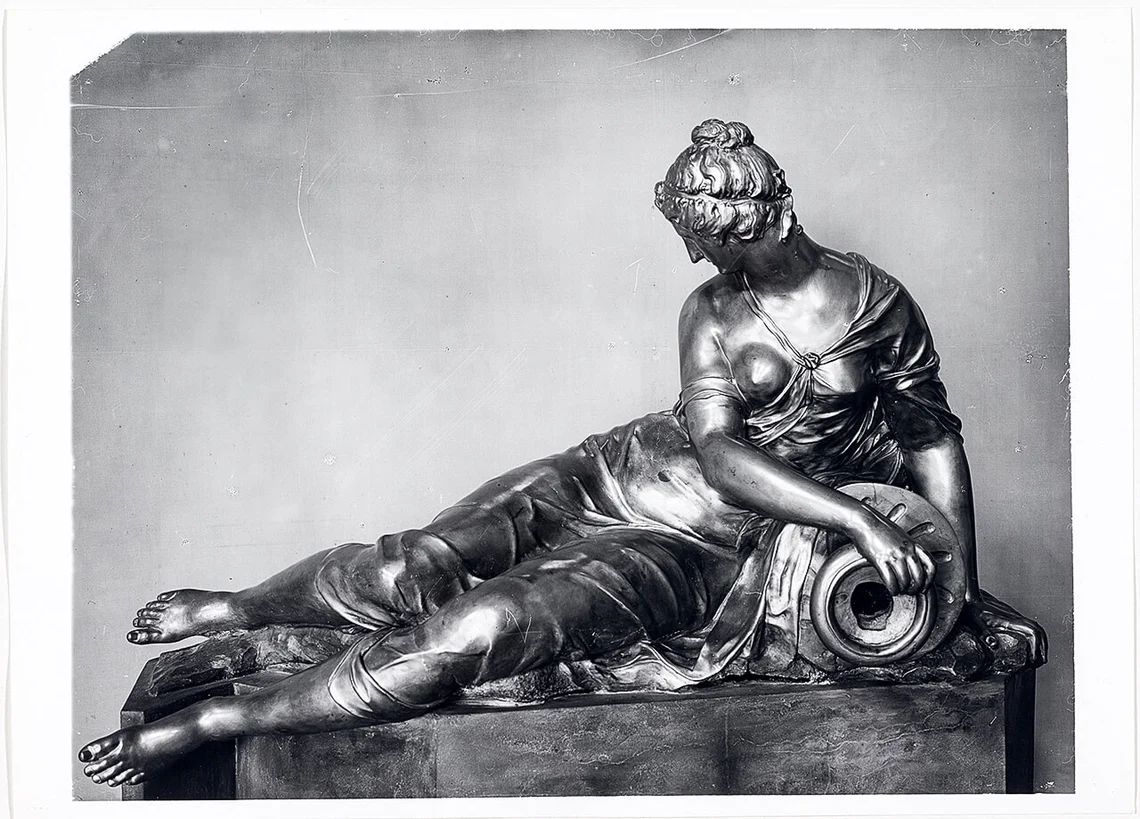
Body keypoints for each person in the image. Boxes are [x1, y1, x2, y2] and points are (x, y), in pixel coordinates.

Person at [80, 119, 1045, 788]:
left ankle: (219, 720)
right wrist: (859, 519)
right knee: (418, 562)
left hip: (708, 552)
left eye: (708, 241)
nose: (699, 259)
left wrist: (954, 588)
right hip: (619, 473)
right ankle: (242, 608)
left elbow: (931, 437)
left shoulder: (878, 305)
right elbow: (715, 449)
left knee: (484, 625)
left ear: (759, 217)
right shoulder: (710, 309)